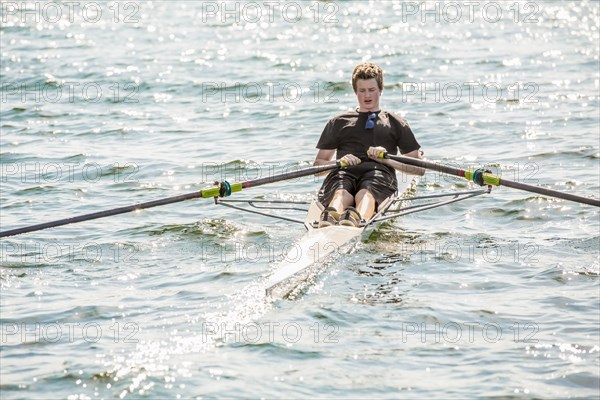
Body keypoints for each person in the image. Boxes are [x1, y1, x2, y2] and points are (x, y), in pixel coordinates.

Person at [313, 62, 425, 227]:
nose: (367, 95)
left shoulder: (395, 122)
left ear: (380, 89)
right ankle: (330, 218)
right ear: (355, 91)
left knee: (366, 193)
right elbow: (318, 168)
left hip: (378, 175)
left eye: (372, 90)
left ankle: (357, 220)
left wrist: (387, 160)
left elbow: (419, 168)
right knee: (340, 193)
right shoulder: (338, 122)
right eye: (362, 90)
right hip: (342, 174)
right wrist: (338, 162)